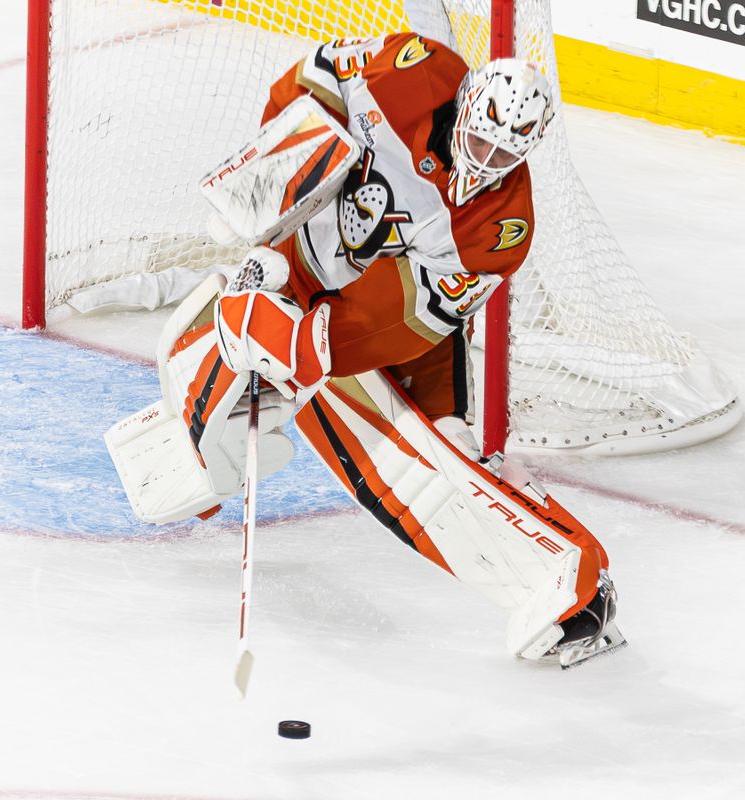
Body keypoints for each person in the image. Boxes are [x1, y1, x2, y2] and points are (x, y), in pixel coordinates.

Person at [115, 32, 624, 667]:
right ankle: (213, 452)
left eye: (503, 153)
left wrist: (308, 342)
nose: (485, 160)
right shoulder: (418, 71)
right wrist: (267, 194)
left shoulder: (502, 226)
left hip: (402, 335)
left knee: (425, 467)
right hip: (303, 268)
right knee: (213, 340)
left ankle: (574, 583)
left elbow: (415, 317)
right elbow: (317, 78)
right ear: (465, 105)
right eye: (479, 140)